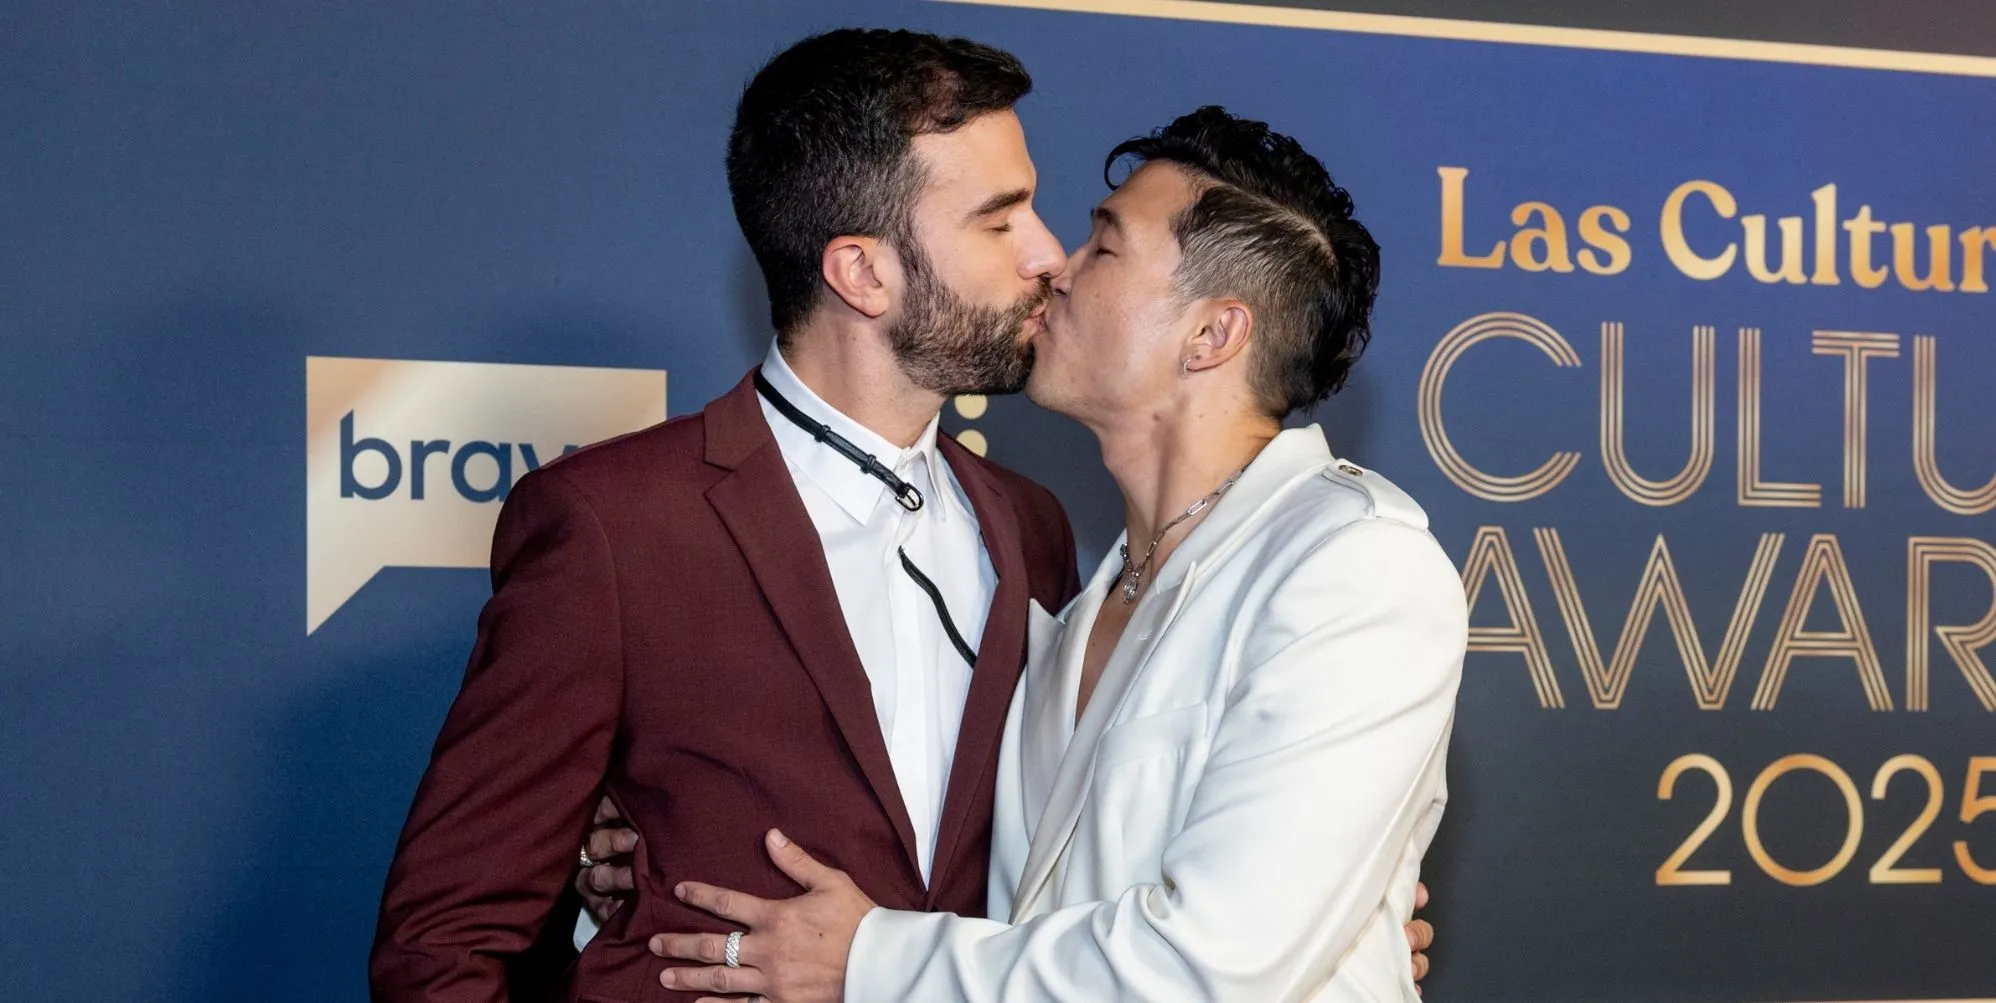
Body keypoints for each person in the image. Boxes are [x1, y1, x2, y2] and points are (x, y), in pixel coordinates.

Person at [642, 107, 1467, 1003]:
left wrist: (873, 961)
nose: (1051, 269)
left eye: (1103, 248)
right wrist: (640, 835)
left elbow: (1216, 962)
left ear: (1211, 335)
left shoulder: (1354, 566)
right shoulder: (1073, 596)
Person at [368, 30, 1081, 1002]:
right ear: (860, 272)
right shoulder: (616, 527)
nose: (1050, 253)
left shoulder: (1029, 526)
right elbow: (446, 938)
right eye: (1001, 221)